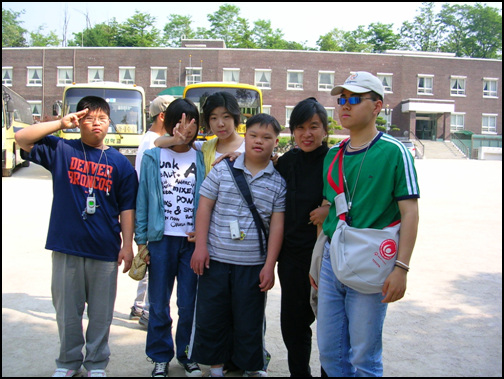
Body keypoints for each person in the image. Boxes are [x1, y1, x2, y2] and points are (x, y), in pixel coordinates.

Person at [14, 96, 138, 378]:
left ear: (110, 124)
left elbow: (127, 208)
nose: (96, 123)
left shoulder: (120, 164)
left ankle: (96, 364)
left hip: (104, 249)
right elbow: (22, 138)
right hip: (67, 246)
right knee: (68, 312)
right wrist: (60, 123)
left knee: (101, 314)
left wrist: (127, 246)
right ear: (79, 121)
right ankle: (68, 363)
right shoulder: (62, 149)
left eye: (102, 119)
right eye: (89, 118)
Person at [316, 71, 420, 376]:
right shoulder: (333, 155)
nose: (345, 106)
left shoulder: (394, 152)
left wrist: (401, 268)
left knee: (364, 357)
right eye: (342, 99)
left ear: (377, 107)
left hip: (374, 261)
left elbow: (410, 213)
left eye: (355, 99)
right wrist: (318, 261)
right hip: (332, 261)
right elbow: (330, 209)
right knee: (331, 352)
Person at [188, 114, 286, 378]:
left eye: (267, 138)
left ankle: (250, 365)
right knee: (213, 315)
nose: (259, 141)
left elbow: (277, 227)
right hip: (216, 259)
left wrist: (269, 266)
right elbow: (205, 205)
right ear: (245, 137)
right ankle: (216, 367)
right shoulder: (223, 168)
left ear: (276, 142)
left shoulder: (278, 183)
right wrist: (200, 247)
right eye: (253, 135)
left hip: (253, 264)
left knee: (249, 320)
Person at [134, 98, 205, 378]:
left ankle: (187, 353)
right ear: (169, 122)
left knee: (189, 303)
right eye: (180, 121)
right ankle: (160, 356)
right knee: (159, 302)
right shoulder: (153, 157)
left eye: (192, 122)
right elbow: (142, 201)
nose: (186, 129)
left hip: (190, 243)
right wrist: (141, 243)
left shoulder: (201, 155)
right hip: (160, 240)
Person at [274, 97, 330, 377]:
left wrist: (328, 209)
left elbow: (354, 200)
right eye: (300, 127)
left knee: (330, 324)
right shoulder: (286, 161)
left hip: (326, 258)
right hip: (291, 259)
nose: (307, 134)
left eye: (314, 126)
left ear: (325, 130)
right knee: (293, 325)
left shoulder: (335, 161)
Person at [130, 95, 175, 327]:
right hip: (151, 209)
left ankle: (139, 305)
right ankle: (147, 311)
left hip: (148, 208)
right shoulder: (154, 142)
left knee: (149, 260)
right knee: (152, 262)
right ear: (163, 116)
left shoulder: (150, 138)